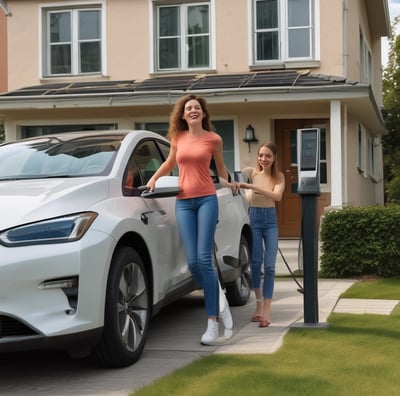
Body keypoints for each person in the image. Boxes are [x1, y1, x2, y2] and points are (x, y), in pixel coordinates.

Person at [146, 94, 239, 345]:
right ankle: (220, 300)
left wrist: (231, 183)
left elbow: (220, 171)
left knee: (203, 259)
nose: (193, 110)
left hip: (207, 200)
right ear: (183, 115)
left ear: (203, 114)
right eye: (189, 108)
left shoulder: (214, 139)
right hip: (184, 202)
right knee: (194, 263)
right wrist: (154, 178)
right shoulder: (177, 138)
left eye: (197, 107)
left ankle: (212, 323)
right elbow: (168, 163)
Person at [240, 142, 285, 328]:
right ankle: (258, 305)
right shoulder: (250, 173)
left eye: (267, 156)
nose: (263, 159)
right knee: (256, 263)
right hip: (254, 218)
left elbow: (277, 197)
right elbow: (232, 180)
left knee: (270, 267)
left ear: (274, 158)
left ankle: (267, 310)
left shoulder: (279, 176)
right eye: (260, 155)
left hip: (270, 221)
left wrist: (252, 189)